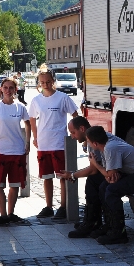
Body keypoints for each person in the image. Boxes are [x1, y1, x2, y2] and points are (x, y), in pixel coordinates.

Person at [29, 69, 78, 220]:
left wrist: (73, 133)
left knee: (62, 176)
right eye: (42, 82)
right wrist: (35, 137)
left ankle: (63, 206)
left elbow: (75, 115)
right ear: (39, 83)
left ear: (53, 81)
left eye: (48, 82)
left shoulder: (62, 97)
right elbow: (32, 119)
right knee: (46, 176)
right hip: (44, 143)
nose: (46, 84)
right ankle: (49, 206)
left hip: (59, 143)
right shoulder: (36, 100)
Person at [84, 126, 134, 245]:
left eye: (88, 142)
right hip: (132, 173)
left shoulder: (110, 148)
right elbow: (109, 175)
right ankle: (110, 225)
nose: (88, 144)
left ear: (95, 143)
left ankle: (119, 233)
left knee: (112, 191)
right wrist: (109, 175)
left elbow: (109, 173)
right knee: (103, 187)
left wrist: (95, 164)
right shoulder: (106, 146)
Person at [0, 77, 31, 227]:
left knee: (15, 184)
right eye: (5, 87)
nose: (8, 90)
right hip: (0, 150)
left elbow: (28, 124)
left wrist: (28, 142)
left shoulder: (20, 107)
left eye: (11, 88)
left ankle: (11, 214)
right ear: (1, 89)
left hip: (17, 151)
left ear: (15, 90)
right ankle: (2, 215)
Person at [56, 116, 108, 238]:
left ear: (82, 129)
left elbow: (93, 170)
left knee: (93, 182)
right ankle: (92, 221)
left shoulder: (93, 141)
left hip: (125, 173)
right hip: (116, 171)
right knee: (93, 182)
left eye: (73, 132)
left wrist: (72, 175)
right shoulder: (90, 139)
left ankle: (93, 222)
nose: (72, 137)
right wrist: (73, 175)